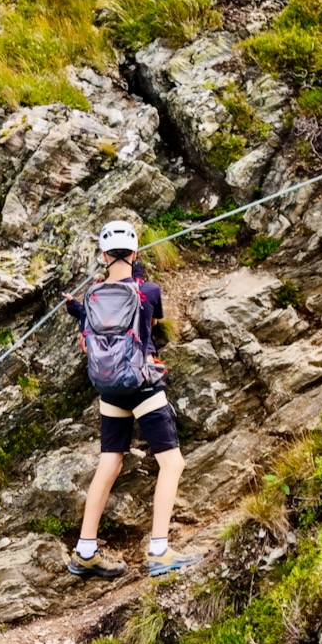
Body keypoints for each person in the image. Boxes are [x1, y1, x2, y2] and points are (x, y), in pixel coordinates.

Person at [63, 220, 201, 579]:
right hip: (142, 384)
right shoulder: (149, 290)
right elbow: (151, 324)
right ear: (136, 252)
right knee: (172, 463)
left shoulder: (91, 296)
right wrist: (137, 276)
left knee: (109, 464)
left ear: (103, 254)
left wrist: (76, 309)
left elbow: (94, 328)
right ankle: (159, 549)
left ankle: (86, 551)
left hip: (108, 389)